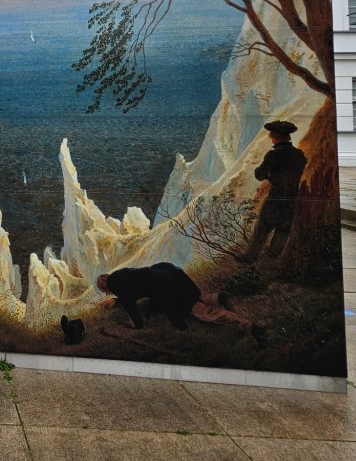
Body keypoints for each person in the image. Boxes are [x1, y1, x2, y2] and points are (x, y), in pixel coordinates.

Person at [96, 263, 261, 343]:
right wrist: (118, 301)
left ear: (105, 285)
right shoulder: (121, 274)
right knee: (195, 296)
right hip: (169, 272)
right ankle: (219, 298)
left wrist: (138, 326)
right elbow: (134, 290)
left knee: (204, 313)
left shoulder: (115, 284)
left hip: (165, 286)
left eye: (103, 289)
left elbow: (130, 305)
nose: (106, 292)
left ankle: (250, 326)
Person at [238, 120, 307, 262]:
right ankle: (272, 258)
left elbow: (259, 174)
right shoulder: (299, 155)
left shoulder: (274, 154)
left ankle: (250, 257)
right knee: (283, 230)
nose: (270, 136)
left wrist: (270, 175)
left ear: (276, 136)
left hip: (276, 198)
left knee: (263, 228)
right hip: (291, 199)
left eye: (272, 134)